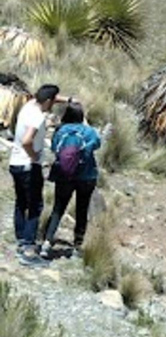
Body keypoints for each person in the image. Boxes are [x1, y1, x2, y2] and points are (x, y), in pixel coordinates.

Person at [8, 84, 73, 266]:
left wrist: (68, 100)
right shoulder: (37, 117)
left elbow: (47, 96)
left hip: (15, 163)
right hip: (29, 165)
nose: (53, 105)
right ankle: (29, 250)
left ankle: (21, 240)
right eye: (53, 102)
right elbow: (27, 140)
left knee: (21, 202)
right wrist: (33, 155)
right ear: (47, 101)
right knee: (35, 206)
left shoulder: (29, 105)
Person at [41, 102, 103, 259]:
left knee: (58, 209)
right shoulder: (89, 132)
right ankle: (77, 245)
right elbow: (98, 143)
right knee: (82, 210)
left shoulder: (60, 132)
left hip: (64, 176)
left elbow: (55, 149)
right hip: (87, 176)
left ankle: (47, 242)